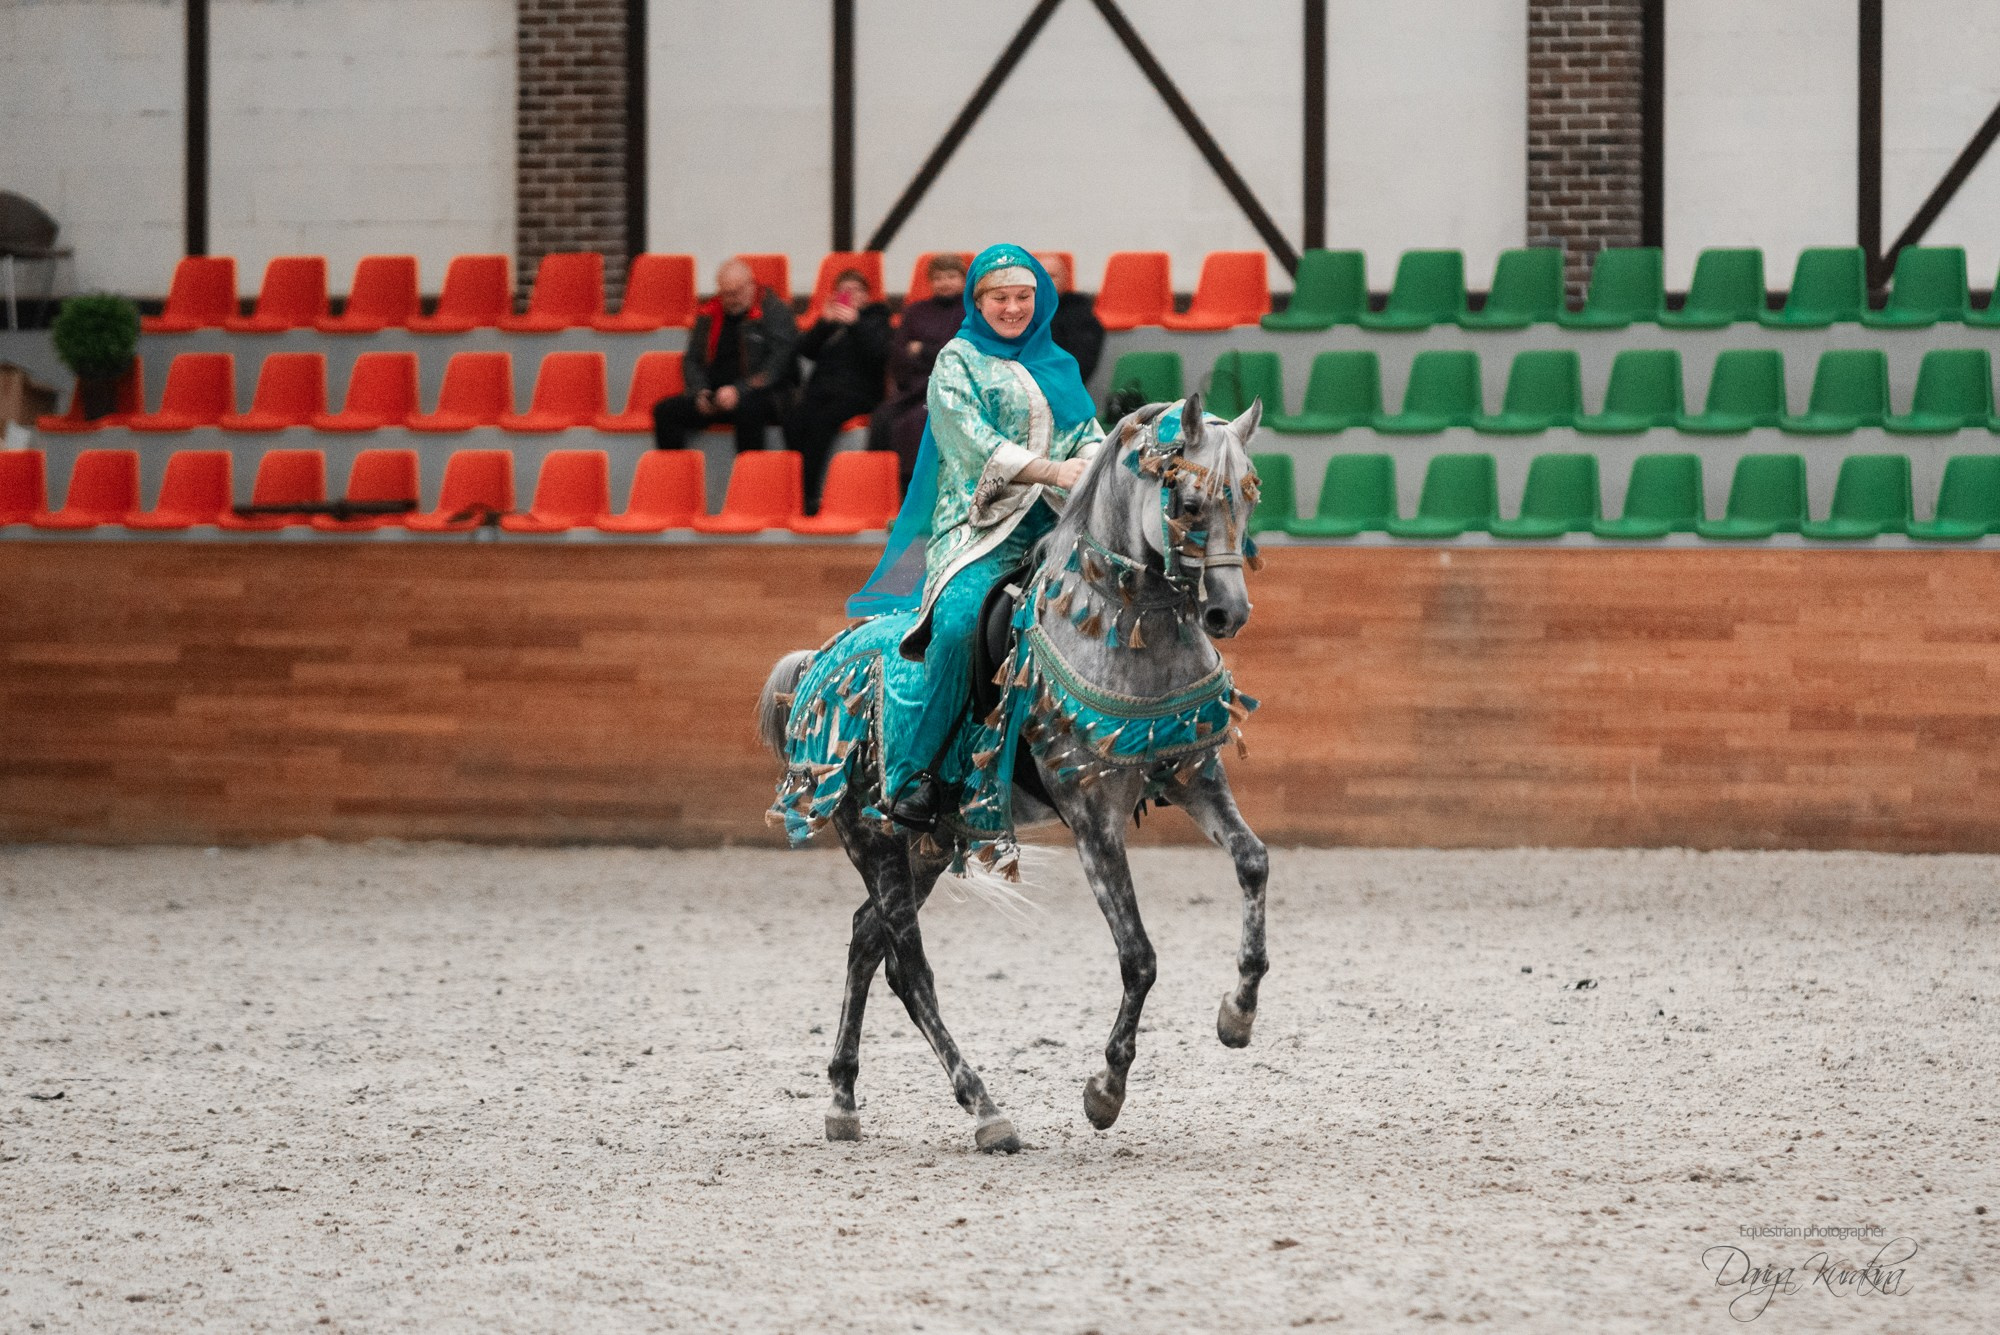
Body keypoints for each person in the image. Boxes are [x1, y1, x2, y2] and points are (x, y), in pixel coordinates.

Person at [847, 245, 1106, 832]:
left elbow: (1087, 432)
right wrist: (1050, 470)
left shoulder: (1058, 361)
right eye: (999, 298)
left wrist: (1089, 459)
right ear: (978, 301)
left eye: (1022, 297)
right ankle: (919, 776)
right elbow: (970, 442)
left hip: (1059, 524)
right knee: (962, 624)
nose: (1012, 308)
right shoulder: (956, 362)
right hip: (982, 529)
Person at [652, 258, 797, 454]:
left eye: (736, 292)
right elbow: (692, 359)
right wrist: (699, 390)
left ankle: (748, 480)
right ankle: (676, 479)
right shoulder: (709, 314)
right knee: (665, 411)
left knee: (749, 410)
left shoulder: (775, 311)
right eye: (726, 294)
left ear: (751, 285)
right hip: (716, 395)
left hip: (763, 394)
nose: (731, 299)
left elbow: (778, 364)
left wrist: (739, 390)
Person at [784, 269, 891, 512]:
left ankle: (809, 495)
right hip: (822, 390)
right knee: (793, 417)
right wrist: (824, 322)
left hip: (859, 393)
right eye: (845, 291)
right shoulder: (831, 322)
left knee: (821, 422)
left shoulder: (877, 318)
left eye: (856, 291)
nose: (850, 296)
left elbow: (880, 354)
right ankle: (795, 490)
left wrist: (856, 324)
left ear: (866, 295)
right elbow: (805, 350)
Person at [867, 253, 966, 493]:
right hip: (914, 386)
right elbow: (899, 353)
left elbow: (959, 353)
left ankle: (915, 490)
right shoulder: (915, 311)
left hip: (953, 388)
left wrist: (921, 349)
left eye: (952, 276)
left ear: (963, 280)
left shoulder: (971, 312)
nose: (945, 283)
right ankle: (881, 489)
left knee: (917, 421)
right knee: (882, 417)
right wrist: (932, 354)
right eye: (939, 278)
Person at [1043, 254, 1106, 383]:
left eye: (1052, 276)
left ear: (1065, 280)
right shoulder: (1017, 314)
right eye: (1040, 276)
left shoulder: (1080, 314)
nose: (1046, 281)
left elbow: (1081, 364)